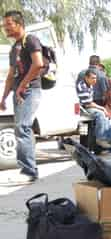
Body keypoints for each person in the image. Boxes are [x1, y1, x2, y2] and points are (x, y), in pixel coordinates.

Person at [0, 11, 43, 183]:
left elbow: (38, 64)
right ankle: (27, 169)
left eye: (8, 24)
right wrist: (3, 98)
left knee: (23, 127)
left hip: (30, 90)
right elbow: (11, 75)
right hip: (19, 91)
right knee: (21, 128)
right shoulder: (14, 48)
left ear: (18, 24)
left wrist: (23, 86)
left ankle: (30, 171)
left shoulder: (30, 40)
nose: (5, 28)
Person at [76, 69, 111, 149]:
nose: (95, 80)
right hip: (83, 110)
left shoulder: (90, 85)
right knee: (85, 131)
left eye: (95, 78)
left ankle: (108, 139)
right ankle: (99, 140)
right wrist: (103, 108)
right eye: (92, 78)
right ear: (86, 78)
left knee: (104, 116)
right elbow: (87, 103)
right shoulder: (82, 86)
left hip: (89, 108)